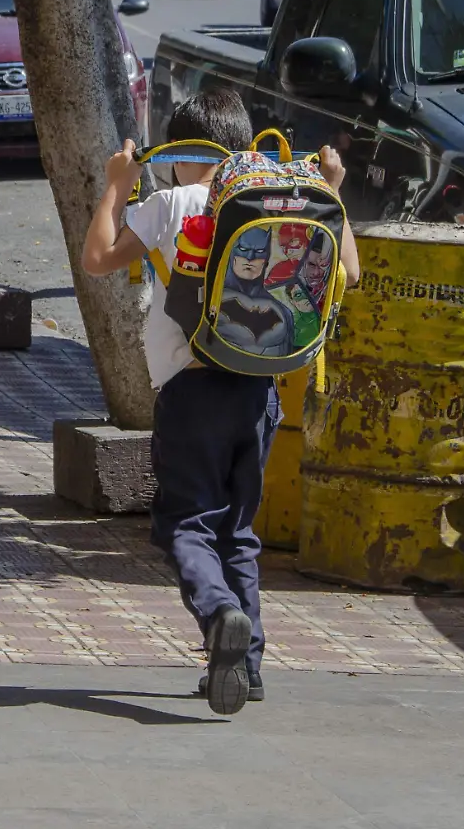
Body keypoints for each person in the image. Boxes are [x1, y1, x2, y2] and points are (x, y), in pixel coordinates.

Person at [79, 92, 360, 716]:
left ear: (180, 156)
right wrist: (334, 191)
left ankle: (219, 613)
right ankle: (248, 667)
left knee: (184, 521)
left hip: (191, 386)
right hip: (262, 389)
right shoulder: (284, 202)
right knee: (238, 530)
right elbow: (352, 273)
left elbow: (97, 259)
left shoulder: (170, 202)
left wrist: (117, 186)